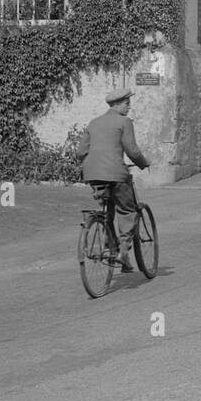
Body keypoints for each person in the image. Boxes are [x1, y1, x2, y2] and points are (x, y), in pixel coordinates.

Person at [75, 87, 150, 273]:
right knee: (127, 210)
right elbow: (132, 150)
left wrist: (92, 166)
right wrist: (144, 163)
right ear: (118, 104)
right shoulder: (124, 122)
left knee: (108, 208)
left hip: (93, 175)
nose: (129, 107)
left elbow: (80, 152)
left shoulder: (94, 123)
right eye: (127, 103)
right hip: (116, 174)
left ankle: (110, 242)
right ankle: (123, 251)